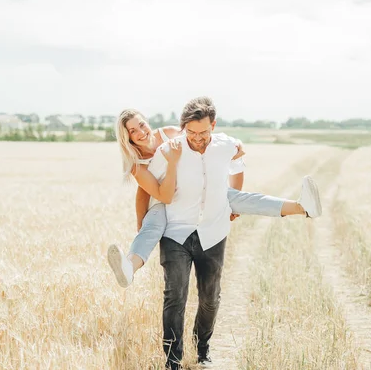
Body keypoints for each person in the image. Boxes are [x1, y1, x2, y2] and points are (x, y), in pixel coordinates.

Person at [107, 107, 322, 289]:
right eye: (133, 131)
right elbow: (148, 194)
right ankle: (129, 267)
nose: (141, 132)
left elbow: (204, 140)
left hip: (195, 190)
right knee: (153, 225)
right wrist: (140, 222)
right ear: (128, 138)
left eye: (142, 125)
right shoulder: (137, 164)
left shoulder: (170, 133)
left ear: (148, 122)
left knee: (241, 198)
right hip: (163, 200)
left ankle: (303, 207)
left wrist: (235, 148)